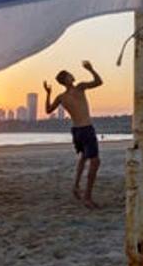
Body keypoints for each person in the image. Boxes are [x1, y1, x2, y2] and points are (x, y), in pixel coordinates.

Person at [44, 60, 104, 209]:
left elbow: (48, 110)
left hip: (77, 131)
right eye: (69, 75)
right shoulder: (77, 89)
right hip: (85, 129)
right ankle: (87, 197)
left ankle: (76, 186)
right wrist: (91, 69)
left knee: (84, 157)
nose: (72, 75)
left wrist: (48, 94)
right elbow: (99, 82)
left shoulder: (65, 95)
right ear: (66, 80)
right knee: (95, 162)